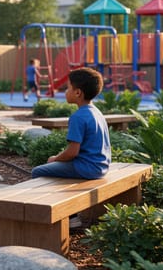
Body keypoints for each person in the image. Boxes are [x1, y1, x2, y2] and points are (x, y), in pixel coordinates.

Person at [30, 67, 111, 227]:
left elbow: (72, 152)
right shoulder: (96, 112)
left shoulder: (78, 117)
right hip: (101, 166)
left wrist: (54, 159)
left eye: (67, 88)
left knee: (38, 171)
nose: (65, 92)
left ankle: (65, 217)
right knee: (56, 169)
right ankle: (68, 214)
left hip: (87, 168)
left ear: (78, 93)